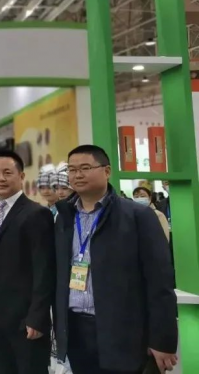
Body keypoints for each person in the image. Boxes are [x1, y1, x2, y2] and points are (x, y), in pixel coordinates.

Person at [54, 145, 178, 374]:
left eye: (85, 168)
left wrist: (162, 340)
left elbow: (160, 282)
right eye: (72, 169)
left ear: (107, 171)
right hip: (76, 331)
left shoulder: (138, 216)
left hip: (124, 332)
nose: (77, 175)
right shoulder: (64, 217)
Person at [0, 150, 54, 374]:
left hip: (25, 320)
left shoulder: (36, 213)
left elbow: (44, 270)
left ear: (21, 176)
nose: (1, 178)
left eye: (7, 172)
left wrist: (37, 318)